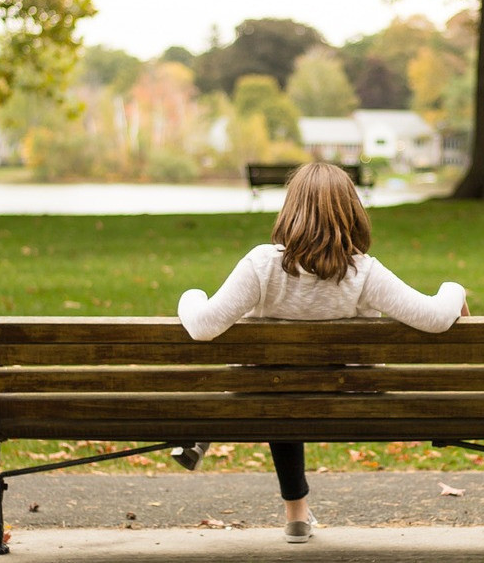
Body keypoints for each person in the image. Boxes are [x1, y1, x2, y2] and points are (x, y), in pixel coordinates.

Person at [175, 161, 469, 543]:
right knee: (286, 382)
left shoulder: (262, 265)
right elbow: (434, 318)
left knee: (277, 382)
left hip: (267, 396)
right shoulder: (362, 272)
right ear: (351, 212)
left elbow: (202, 326)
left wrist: (191, 295)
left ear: (290, 209)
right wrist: (455, 289)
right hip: (347, 397)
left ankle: (215, 440)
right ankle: (296, 515)